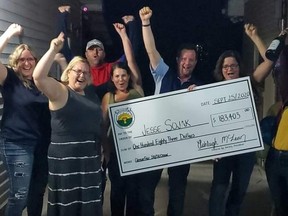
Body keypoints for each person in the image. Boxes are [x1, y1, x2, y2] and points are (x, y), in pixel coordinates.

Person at [139, 6, 204, 216]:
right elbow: (151, 50)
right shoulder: (163, 74)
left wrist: (197, 99)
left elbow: (202, 118)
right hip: (157, 140)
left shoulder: (198, 86)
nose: (187, 63)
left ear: (195, 63)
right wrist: (145, 22)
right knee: (147, 189)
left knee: (177, 192)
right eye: (184, 59)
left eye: (191, 60)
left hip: (181, 146)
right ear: (177, 60)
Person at [32, 32, 103, 216]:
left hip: (89, 161)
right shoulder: (61, 91)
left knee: (89, 206)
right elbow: (38, 78)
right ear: (68, 72)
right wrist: (53, 49)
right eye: (77, 71)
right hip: (66, 164)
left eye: (86, 72)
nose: (82, 75)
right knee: (67, 206)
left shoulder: (90, 94)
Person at [208, 23, 274, 216]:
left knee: (238, 193)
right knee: (218, 191)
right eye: (226, 66)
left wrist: (254, 36)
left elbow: (269, 61)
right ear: (221, 69)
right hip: (223, 149)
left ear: (239, 67)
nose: (230, 69)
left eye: (233, 65)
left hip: (245, 150)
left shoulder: (250, 83)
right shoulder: (213, 92)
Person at [0, 23, 51, 216]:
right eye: (22, 60)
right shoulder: (10, 78)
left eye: (30, 59)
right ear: (16, 62)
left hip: (40, 145)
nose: (27, 63)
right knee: (19, 197)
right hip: (17, 144)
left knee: (36, 193)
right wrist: (9, 33)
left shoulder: (39, 83)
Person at [101, 22, 144, 216]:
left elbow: (132, 60)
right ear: (112, 79)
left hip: (137, 153)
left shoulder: (137, 91)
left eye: (124, 75)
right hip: (117, 156)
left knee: (134, 195)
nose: (121, 79)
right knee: (117, 195)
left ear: (129, 77)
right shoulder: (108, 98)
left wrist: (124, 35)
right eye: (117, 76)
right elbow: (103, 128)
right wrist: (107, 152)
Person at [265, 35, 288, 216]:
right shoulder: (281, 104)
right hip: (274, 158)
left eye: (281, 72)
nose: (277, 77)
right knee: (279, 207)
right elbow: (271, 58)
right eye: (277, 73)